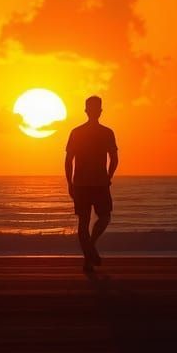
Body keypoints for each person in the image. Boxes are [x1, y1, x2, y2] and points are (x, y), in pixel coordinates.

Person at [64, 95, 118, 273]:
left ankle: (90, 250)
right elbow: (69, 159)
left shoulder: (82, 132)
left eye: (95, 108)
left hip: (87, 184)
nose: (95, 111)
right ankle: (90, 253)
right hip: (91, 184)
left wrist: (70, 183)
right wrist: (108, 176)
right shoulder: (87, 132)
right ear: (92, 111)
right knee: (95, 219)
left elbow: (68, 160)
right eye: (94, 108)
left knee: (92, 219)